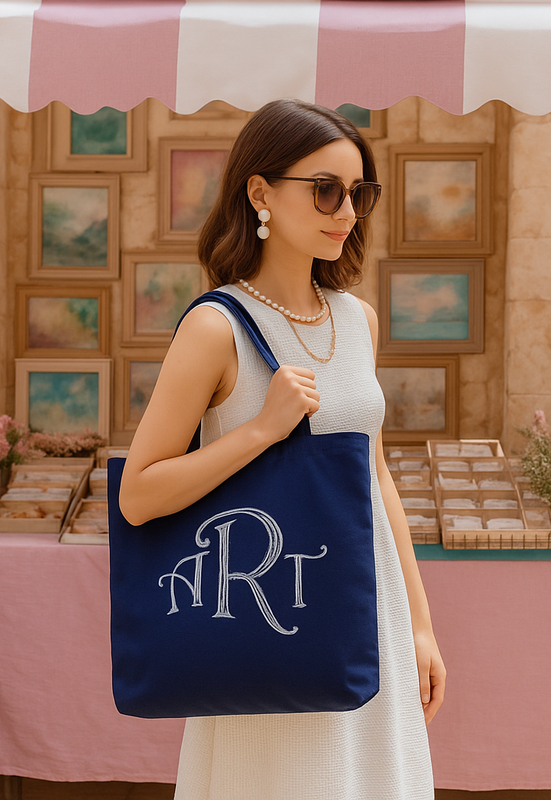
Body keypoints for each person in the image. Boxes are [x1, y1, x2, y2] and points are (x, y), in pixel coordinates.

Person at [119, 98, 445, 800]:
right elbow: (139, 495)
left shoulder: (358, 321)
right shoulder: (216, 327)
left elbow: (376, 477)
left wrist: (419, 625)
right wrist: (261, 429)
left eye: (358, 193)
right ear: (260, 193)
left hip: (368, 608)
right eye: (326, 190)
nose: (347, 211)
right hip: (269, 613)